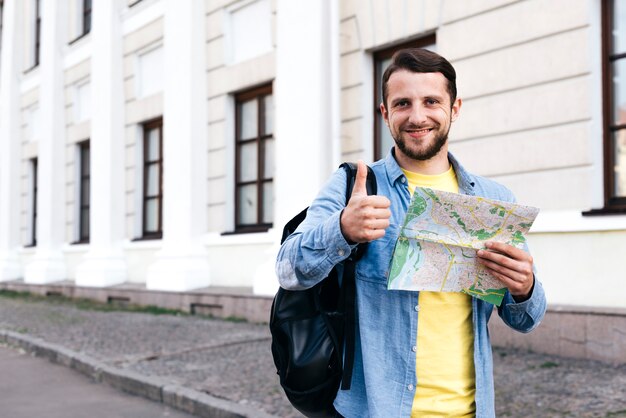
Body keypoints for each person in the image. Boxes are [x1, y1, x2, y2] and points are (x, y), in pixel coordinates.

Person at [275, 48, 546, 418]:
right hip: (376, 409)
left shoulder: (492, 200)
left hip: (471, 410)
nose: (417, 116)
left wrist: (523, 286)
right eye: (402, 103)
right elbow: (289, 271)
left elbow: (526, 320)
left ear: (455, 108)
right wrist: (342, 230)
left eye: (431, 101)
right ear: (386, 113)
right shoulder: (352, 186)